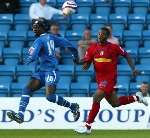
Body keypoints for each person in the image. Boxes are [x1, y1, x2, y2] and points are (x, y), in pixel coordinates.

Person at [75, 27, 148, 134]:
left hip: (109, 79)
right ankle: (137, 97)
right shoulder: (92, 48)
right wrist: (78, 61)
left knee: (96, 97)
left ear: (107, 36)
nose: (100, 35)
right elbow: (86, 60)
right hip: (100, 80)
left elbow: (126, 55)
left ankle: (87, 126)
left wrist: (133, 68)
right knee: (115, 103)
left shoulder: (114, 47)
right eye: (99, 33)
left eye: (103, 34)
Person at [7, 18, 80, 124]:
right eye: (33, 27)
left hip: (52, 71)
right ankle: (20, 115)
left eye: (36, 27)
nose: (34, 29)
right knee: (27, 89)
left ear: (42, 28)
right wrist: (75, 56)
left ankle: (73, 106)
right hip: (42, 71)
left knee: (49, 96)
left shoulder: (39, 40)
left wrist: (30, 58)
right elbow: (68, 43)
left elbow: (33, 53)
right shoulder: (53, 37)